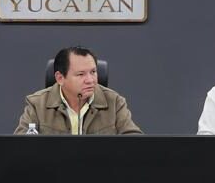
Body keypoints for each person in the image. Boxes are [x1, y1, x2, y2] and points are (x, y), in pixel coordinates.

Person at [14, 46, 142, 135]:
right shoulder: (37, 104)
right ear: (60, 78)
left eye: (93, 72)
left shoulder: (114, 102)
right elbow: (20, 147)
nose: (90, 80)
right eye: (81, 74)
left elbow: (136, 143)